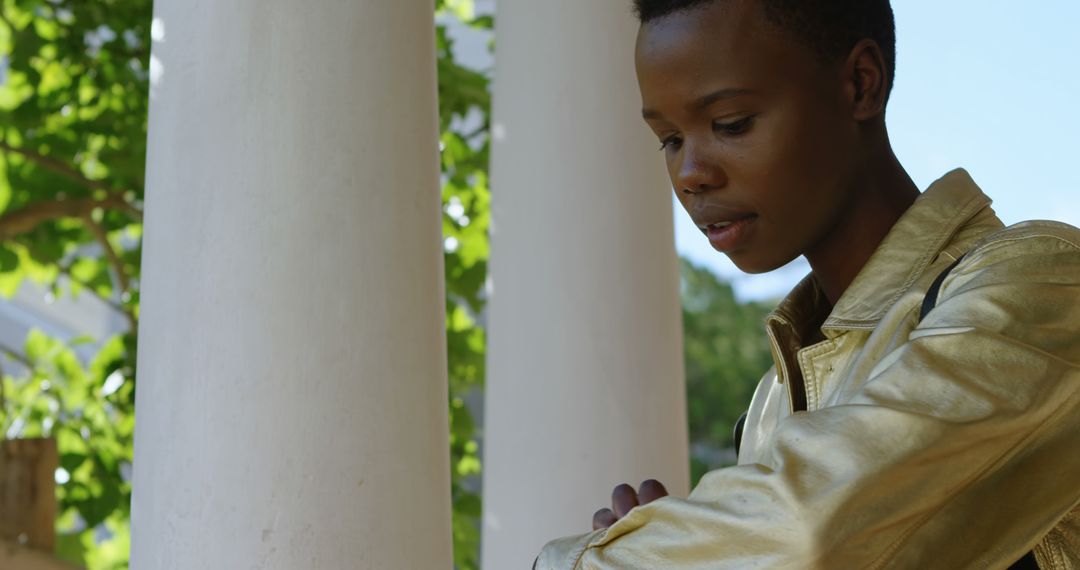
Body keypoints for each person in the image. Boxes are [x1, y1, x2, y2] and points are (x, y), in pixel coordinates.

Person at [534, 0, 1080, 568]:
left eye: (730, 124)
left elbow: (811, 539)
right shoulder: (771, 398)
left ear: (860, 84)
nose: (692, 173)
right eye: (669, 139)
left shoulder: (1042, 286)